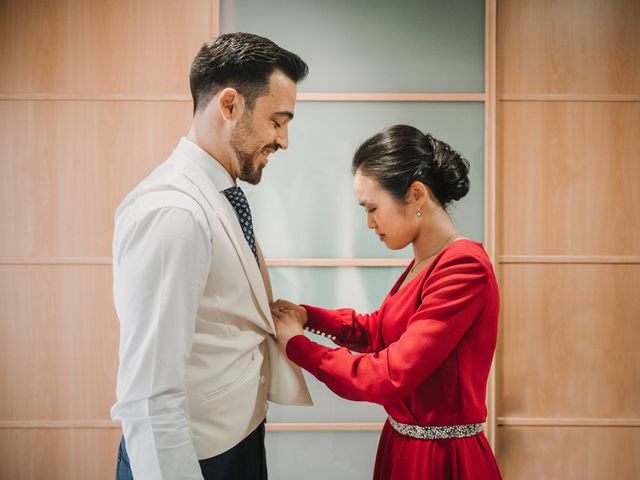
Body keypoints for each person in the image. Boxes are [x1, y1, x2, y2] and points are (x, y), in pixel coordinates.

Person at [111, 32, 312, 480]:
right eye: (278, 121)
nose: (283, 140)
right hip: (190, 458)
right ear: (229, 105)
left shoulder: (222, 191)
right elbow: (148, 394)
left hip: (238, 441)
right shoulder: (173, 213)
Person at [271, 125, 502, 479]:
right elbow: (378, 328)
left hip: (440, 459)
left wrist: (297, 346)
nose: (369, 223)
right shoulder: (425, 261)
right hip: (403, 444)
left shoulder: (463, 266)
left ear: (416, 194)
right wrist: (307, 315)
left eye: (372, 208)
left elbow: (389, 375)